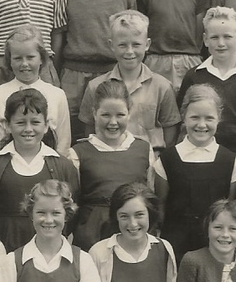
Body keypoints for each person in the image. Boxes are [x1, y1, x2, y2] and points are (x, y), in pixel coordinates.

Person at [59, 0, 137, 141]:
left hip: (111, 73)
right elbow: (59, 38)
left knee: (112, 127)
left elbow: (132, 38)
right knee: (73, 130)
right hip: (73, 74)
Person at [0, 88, 80, 251]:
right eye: (20, 122)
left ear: (46, 125)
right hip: (3, 247)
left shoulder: (63, 167)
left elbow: (72, 216)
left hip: (47, 248)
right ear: (8, 125)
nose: (28, 129)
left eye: (35, 122)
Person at [68, 80, 165, 250]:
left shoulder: (143, 149)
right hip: (92, 234)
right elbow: (73, 202)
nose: (113, 122)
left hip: (133, 230)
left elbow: (150, 195)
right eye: (105, 115)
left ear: (129, 113)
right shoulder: (78, 153)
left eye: (120, 115)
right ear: (94, 113)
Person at [158, 84, 236, 263]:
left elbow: (231, 206)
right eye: (194, 117)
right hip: (176, 243)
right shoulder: (167, 160)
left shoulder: (229, 161)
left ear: (219, 118)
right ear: (183, 117)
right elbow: (160, 206)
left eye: (209, 118)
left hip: (216, 244)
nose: (201, 124)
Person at [176, 7, 236, 161]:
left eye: (227, 36)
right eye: (214, 37)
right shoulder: (194, 76)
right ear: (205, 39)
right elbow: (182, 118)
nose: (221, 43)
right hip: (201, 153)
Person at [77, 10, 181, 152]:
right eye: (122, 45)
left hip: (149, 160)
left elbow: (170, 132)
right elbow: (89, 129)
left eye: (136, 44)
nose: (129, 51)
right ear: (111, 45)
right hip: (107, 158)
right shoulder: (95, 87)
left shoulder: (162, 86)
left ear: (147, 44)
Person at [0, 25, 72, 156]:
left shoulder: (57, 95)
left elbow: (63, 143)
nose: (24, 64)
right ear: (9, 61)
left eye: (30, 57)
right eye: (18, 58)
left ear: (41, 58)